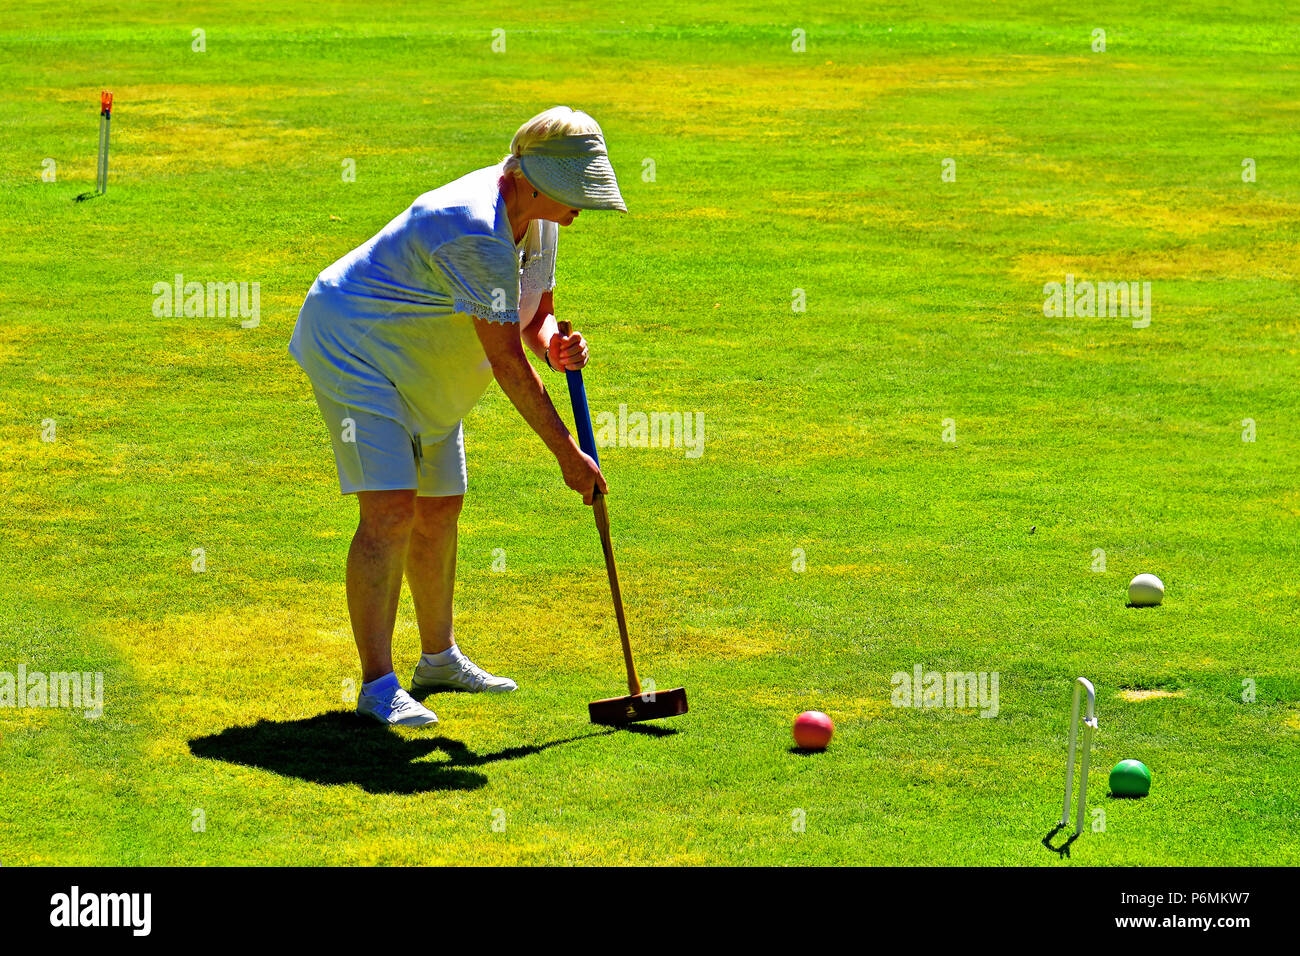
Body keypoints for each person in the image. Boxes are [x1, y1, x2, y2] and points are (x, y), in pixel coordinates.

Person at [289, 107, 625, 726]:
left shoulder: (541, 216)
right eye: (578, 189)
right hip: (358, 348)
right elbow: (503, 360)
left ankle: (438, 659)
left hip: (428, 362)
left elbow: (532, 316)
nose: (585, 204)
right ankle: (376, 685)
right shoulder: (472, 227)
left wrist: (551, 342)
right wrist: (567, 456)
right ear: (532, 177)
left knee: (440, 505)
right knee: (391, 508)